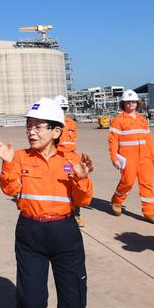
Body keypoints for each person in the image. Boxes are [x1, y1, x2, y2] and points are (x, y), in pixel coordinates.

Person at [0, 97, 100, 308]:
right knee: (32, 298)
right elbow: (9, 189)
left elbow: (84, 200)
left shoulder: (71, 159)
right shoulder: (22, 158)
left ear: (56, 131)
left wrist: (81, 178)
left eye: (38, 127)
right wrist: (8, 162)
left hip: (65, 233)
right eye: (29, 126)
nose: (32, 131)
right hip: (30, 232)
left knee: (74, 299)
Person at [109, 89, 154, 225]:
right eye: (128, 102)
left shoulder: (142, 119)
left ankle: (149, 213)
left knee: (147, 184)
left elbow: (148, 140)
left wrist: (153, 158)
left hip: (145, 157)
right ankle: (117, 200)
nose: (130, 104)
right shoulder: (118, 120)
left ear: (137, 103)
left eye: (133, 101)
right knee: (127, 181)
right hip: (128, 157)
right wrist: (114, 158)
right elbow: (113, 141)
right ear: (123, 104)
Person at [55, 95, 84, 227]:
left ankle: (76, 214)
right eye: (60, 108)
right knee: (61, 186)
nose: (62, 110)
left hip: (72, 157)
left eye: (64, 108)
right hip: (58, 156)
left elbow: (73, 141)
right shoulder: (52, 124)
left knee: (77, 185)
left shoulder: (72, 124)